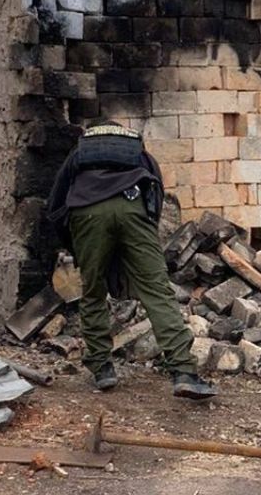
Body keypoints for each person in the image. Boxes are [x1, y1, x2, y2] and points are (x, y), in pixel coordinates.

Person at [46, 121, 216, 399]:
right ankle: (184, 372)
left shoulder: (79, 152)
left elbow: (55, 202)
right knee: (156, 290)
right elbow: (156, 190)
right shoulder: (136, 150)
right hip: (133, 209)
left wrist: (73, 242)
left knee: (92, 291)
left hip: (87, 214)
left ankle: (102, 369)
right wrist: (147, 226)